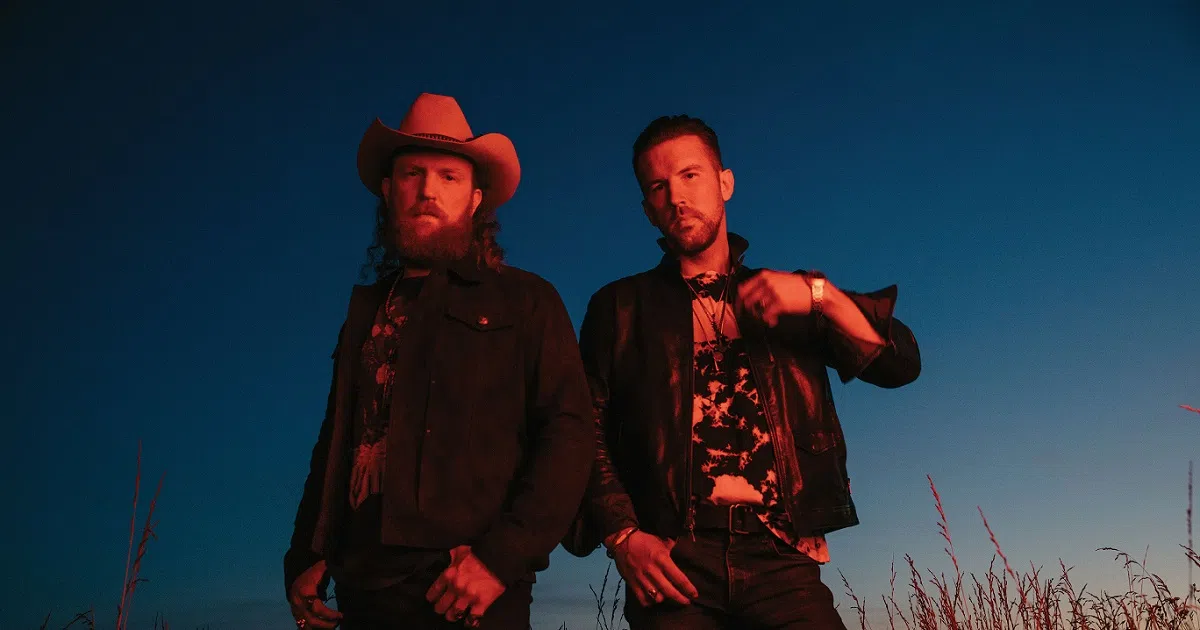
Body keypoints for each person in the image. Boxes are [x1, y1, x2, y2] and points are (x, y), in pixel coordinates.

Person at [564, 114, 922, 629]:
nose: (676, 197)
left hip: (782, 556)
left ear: (724, 183)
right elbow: (584, 428)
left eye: (690, 175)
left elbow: (900, 365)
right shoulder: (619, 307)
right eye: (658, 187)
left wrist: (821, 296)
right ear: (647, 210)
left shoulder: (788, 295)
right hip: (673, 559)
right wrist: (623, 537)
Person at [284, 92, 595, 630]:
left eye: (448, 177)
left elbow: (569, 435)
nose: (428, 190)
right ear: (389, 190)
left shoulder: (525, 301)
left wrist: (500, 558)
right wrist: (308, 555)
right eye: (413, 174)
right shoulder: (366, 311)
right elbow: (336, 440)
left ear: (475, 199)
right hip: (363, 588)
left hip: (467, 590)